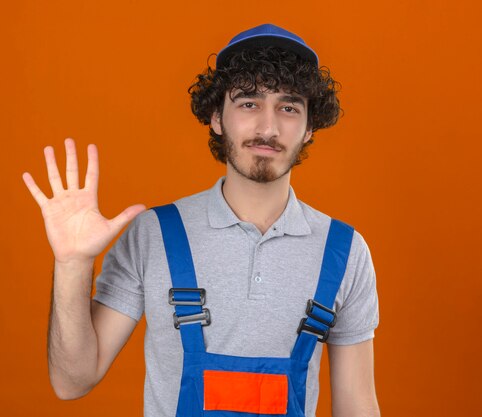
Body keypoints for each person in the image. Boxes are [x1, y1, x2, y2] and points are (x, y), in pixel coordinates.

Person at [22, 23, 380, 417]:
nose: (268, 127)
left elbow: (356, 406)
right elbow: (71, 380)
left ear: (310, 127)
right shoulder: (154, 235)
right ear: (215, 117)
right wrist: (73, 265)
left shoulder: (345, 252)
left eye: (289, 107)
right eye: (248, 102)